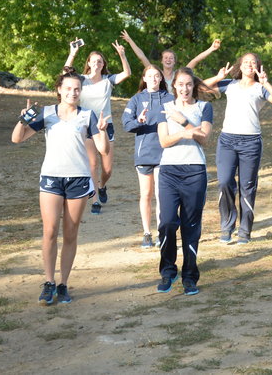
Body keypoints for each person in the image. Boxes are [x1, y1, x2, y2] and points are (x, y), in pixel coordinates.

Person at [11, 71, 110, 305]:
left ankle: (63, 284)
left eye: (77, 89)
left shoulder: (88, 115)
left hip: (78, 179)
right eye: (68, 88)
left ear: (80, 91)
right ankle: (48, 282)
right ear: (59, 90)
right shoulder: (46, 113)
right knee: (49, 231)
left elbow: (103, 149)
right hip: (51, 179)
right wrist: (22, 120)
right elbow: (17, 138)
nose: (72, 93)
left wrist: (103, 131)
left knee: (70, 233)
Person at [203, 53, 272, 244]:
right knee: (224, 182)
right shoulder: (229, 84)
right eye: (246, 62)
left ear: (258, 66)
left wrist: (266, 82)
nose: (249, 64)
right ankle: (227, 226)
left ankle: (244, 230)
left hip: (251, 142)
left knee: (247, 187)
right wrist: (218, 77)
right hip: (227, 140)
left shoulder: (260, 88)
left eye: (253, 62)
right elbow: (200, 88)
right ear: (239, 66)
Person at [156, 68, 213, 295]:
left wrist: (184, 122)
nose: (185, 89)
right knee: (167, 222)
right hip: (169, 171)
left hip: (195, 171)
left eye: (189, 84)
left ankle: (190, 276)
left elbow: (204, 139)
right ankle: (168, 270)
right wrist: (182, 133)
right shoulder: (165, 108)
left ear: (194, 86)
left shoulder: (204, 107)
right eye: (180, 84)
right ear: (174, 86)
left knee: (191, 226)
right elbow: (163, 141)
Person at [65, 39, 131, 214]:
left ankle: (102, 186)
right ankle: (95, 200)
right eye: (93, 61)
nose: (96, 64)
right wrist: (72, 53)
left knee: (107, 169)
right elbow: (65, 75)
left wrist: (122, 55)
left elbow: (126, 73)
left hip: (105, 127)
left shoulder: (108, 80)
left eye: (99, 61)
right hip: (86, 126)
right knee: (92, 165)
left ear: (103, 65)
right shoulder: (81, 80)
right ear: (88, 63)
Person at [121, 65, 174, 248]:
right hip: (144, 154)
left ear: (161, 78)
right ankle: (146, 233)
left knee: (161, 194)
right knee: (146, 194)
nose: (153, 79)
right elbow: (126, 124)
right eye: (149, 76)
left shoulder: (170, 99)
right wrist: (139, 121)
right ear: (144, 78)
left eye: (156, 76)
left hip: (164, 153)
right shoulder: (136, 99)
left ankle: (161, 232)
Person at [120, 29, 221, 87]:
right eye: (166, 58)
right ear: (161, 60)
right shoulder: (156, 74)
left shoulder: (179, 75)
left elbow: (195, 60)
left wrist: (211, 49)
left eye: (171, 58)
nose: (168, 60)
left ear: (174, 61)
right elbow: (142, 57)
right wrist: (129, 40)